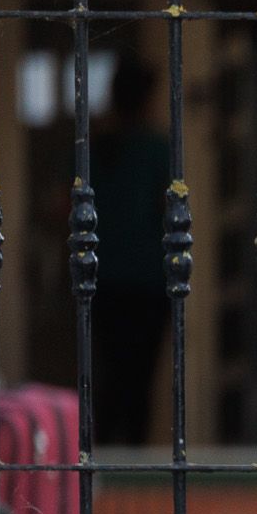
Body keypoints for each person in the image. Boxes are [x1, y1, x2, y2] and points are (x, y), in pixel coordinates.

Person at [88, 50, 174, 446]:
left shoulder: (96, 147)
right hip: (148, 280)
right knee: (139, 377)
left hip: (101, 278)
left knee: (108, 371)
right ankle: (132, 457)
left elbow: (61, 206)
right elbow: (170, 207)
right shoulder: (156, 149)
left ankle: (101, 457)